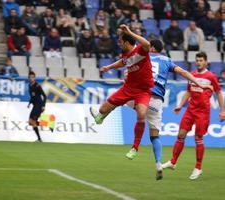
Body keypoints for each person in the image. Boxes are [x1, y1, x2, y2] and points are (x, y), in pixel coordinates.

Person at [125, 40, 212, 180]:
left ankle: (134, 147)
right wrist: (196, 82)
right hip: (159, 101)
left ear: (151, 48)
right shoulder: (167, 60)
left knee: (122, 99)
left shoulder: (143, 57)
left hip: (145, 95)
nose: (198, 62)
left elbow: (130, 69)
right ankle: (160, 163)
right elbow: (183, 74)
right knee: (156, 136)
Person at [90, 24, 154, 159]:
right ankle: (101, 117)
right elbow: (123, 62)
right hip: (128, 88)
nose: (118, 44)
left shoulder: (141, 51)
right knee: (102, 110)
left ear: (126, 42)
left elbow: (147, 44)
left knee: (141, 114)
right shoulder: (125, 53)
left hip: (143, 91)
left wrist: (130, 31)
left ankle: (134, 148)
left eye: (120, 41)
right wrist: (109, 67)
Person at [162, 52, 225, 180]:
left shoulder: (211, 76)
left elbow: (218, 93)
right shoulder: (193, 75)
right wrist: (180, 105)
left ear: (206, 62)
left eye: (201, 60)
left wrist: (222, 110)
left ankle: (198, 167)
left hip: (203, 112)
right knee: (180, 135)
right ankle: (173, 162)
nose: (198, 62)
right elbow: (188, 92)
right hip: (190, 110)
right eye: (197, 60)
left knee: (198, 138)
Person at [28, 71, 47, 142]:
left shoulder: (37, 86)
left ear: (34, 78)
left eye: (32, 77)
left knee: (33, 121)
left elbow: (44, 96)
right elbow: (32, 96)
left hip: (39, 105)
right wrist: (29, 103)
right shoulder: (29, 85)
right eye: (30, 77)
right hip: (34, 105)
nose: (31, 78)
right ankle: (47, 122)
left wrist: (43, 106)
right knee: (30, 122)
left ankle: (39, 139)